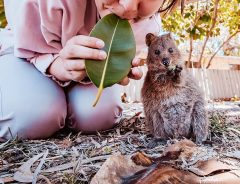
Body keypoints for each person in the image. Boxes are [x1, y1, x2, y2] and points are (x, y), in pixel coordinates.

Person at [0, 0, 180, 140]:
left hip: (84, 76)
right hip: (27, 53)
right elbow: (28, 43)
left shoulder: (147, 25)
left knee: (98, 116)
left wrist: (115, 71)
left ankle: (63, 107)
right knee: (31, 117)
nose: (127, 7)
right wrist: (59, 66)